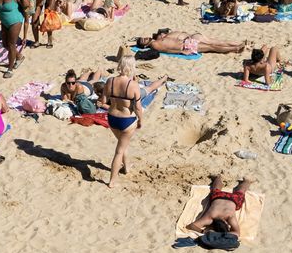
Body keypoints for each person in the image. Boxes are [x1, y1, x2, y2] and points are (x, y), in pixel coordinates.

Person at [98, 55, 143, 186]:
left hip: (112, 119)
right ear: (131, 67)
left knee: (122, 145)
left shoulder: (110, 81)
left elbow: (104, 101)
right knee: (119, 151)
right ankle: (112, 180)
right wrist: (140, 120)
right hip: (126, 121)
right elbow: (138, 108)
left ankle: (127, 167)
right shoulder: (133, 85)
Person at [185, 177, 254, 239]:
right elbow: (191, 226)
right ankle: (218, 177)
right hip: (218, 197)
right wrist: (204, 231)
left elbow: (237, 233)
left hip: (233, 200)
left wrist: (210, 233)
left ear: (226, 223)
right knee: (216, 189)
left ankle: (246, 182)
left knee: (240, 192)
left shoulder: (228, 217)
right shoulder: (210, 218)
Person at [0, 0, 24, 77]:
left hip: (15, 21)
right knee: (5, 44)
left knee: (11, 44)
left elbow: (26, 5)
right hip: (4, 22)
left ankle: (10, 69)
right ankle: (19, 56)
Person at [135, 29, 245, 55]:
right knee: (212, 46)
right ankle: (235, 48)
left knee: (212, 45)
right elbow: (167, 49)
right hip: (185, 47)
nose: (144, 38)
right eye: (143, 40)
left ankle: (236, 46)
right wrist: (182, 52)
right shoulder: (154, 44)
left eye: (143, 37)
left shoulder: (156, 40)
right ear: (144, 45)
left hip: (187, 43)